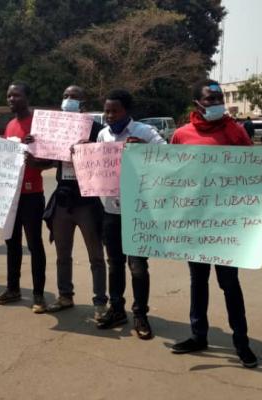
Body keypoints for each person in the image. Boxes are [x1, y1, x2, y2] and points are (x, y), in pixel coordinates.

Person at [168, 80, 260, 368]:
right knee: (198, 281)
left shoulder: (235, 131)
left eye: (219, 97)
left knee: (229, 283)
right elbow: (171, 176)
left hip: (225, 223)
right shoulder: (182, 135)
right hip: (195, 223)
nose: (217, 102)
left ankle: (241, 342)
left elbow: (254, 171)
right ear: (197, 103)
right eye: (210, 99)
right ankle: (198, 335)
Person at [94, 89, 165, 339]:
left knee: (137, 267)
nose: (110, 115)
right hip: (111, 210)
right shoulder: (103, 135)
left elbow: (168, 158)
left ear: (127, 111)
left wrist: (146, 148)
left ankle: (140, 314)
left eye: (115, 111)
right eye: (107, 111)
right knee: (114, 264)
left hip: (139, 212)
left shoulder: (144, 133)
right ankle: (117, 309)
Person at [35, 85, 107, 319]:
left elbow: (109, 156)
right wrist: (32, 146)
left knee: (96, 255)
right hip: (62, 199)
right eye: (65, 96)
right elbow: (43, 162)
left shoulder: (96, 129)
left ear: (83, 103)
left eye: (74, 97)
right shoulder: (54, 129)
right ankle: (65, 295)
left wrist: (92, 149)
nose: (68, 100)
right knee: (62, 254)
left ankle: (100, 303)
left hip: (87, 199)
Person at [0, 82, 48, 313]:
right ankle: (12, 289)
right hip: (10, 195)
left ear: (27, 97)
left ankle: (38, 296)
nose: (12, 99)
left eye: (17, 95)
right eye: (9, 95)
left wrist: (37, 163)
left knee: (35, 245)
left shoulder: (38, 124)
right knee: (11, 243)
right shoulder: (10, 125)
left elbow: (50, 159)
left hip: (32, 194)